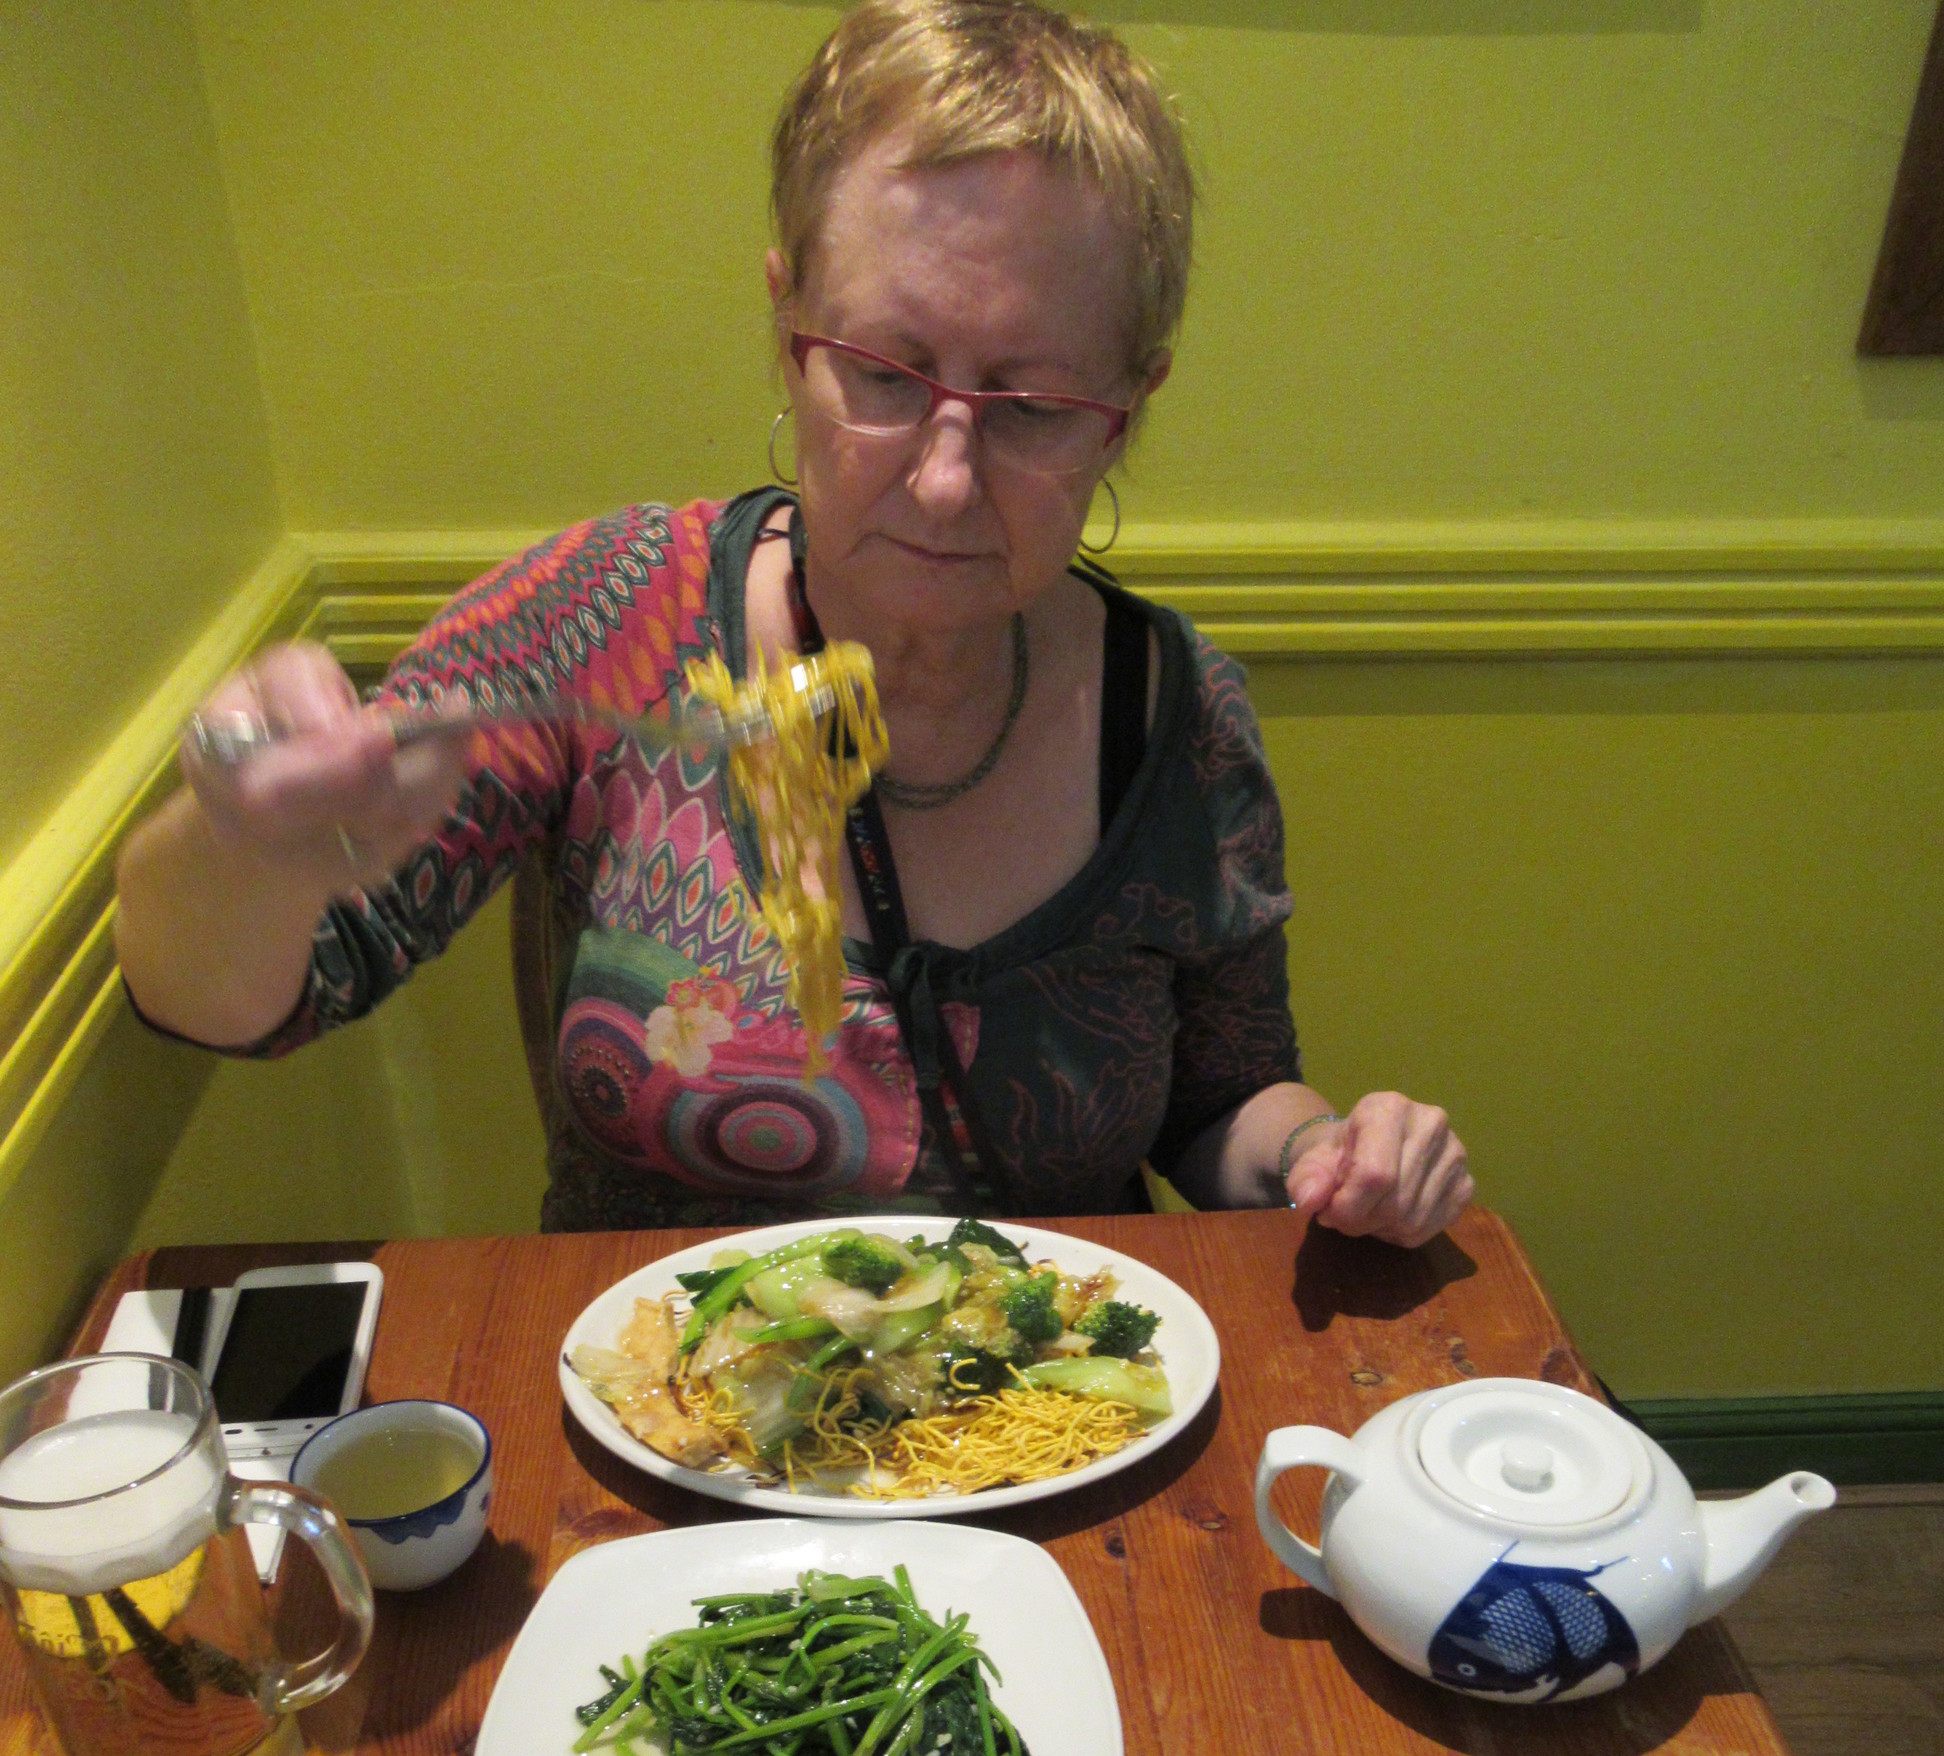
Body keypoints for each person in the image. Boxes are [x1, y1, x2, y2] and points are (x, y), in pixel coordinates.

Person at [116, 0, 1471, 1247]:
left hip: (1050, 1388)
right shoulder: (604, 618)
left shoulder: (1175, 710)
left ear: (1128, 409)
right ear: (789, 331)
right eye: (885, 376)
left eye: (1034, 409)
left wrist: (1326, 1155)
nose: (945, 482)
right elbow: (226, 999)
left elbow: (1225, 1096)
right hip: (652, 1391)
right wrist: (246, 842)